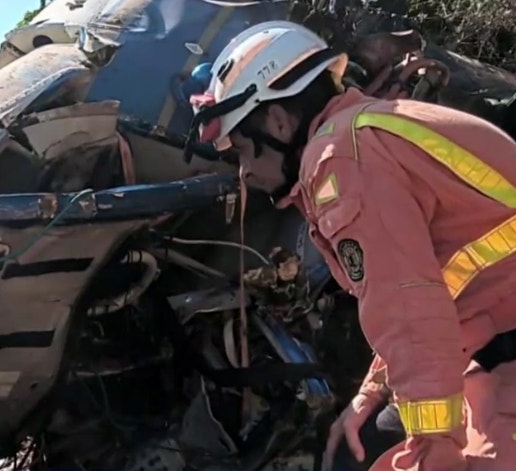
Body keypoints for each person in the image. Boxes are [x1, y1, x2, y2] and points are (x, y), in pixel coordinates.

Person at [184, 20, 516, 471]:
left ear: (278, 121)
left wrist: (433, 450)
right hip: (490, 328)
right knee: (360, 445)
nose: (244, 173)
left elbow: (409, 306)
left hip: (501, 342)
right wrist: (371, 394)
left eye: (243, 149)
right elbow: (407, 298)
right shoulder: (365, 131)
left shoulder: (339, 159)